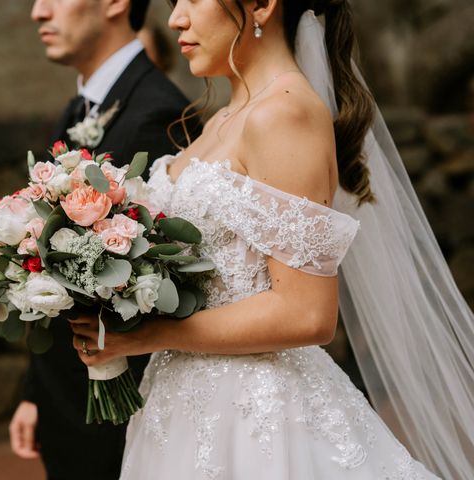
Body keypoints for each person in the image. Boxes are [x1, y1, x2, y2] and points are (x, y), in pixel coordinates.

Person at [70, 0, 474, 479]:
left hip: (258, 414)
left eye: (193, 0)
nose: (176, 19)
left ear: (261, 6)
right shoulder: (221, 120)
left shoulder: (285, 113)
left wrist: (151, 335)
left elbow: (307, 313)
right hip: (181, 406)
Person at [9, 1, 200, 479]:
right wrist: (36, 391)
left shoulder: (159, 114)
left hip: (115, 416)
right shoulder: (83, 107)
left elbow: (160, 286)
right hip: (66, 404)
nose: (38, 12)